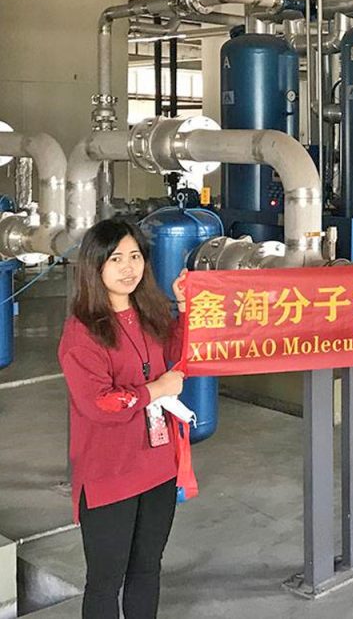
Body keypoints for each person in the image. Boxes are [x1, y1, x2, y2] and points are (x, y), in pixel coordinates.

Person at [58, 219, 187, 619]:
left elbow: (178, 355)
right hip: (109, 475)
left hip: (158, 467)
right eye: (116, 259)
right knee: (105, 581)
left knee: (147, 568)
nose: (128, 268)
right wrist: (156, 390)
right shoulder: (82, 332)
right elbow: (99, 403)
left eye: (135, 257)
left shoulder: (149, 313)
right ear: (95, 266)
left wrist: (183, 308)